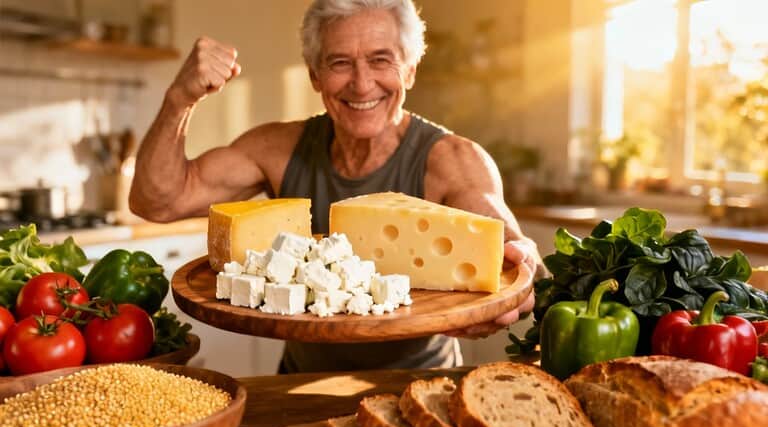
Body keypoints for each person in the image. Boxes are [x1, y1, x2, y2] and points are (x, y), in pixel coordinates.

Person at [130, 0, 543, 373]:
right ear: (314, 75)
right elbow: (157, 201)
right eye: (340, 63)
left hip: (420, 384)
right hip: (297, 384)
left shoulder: (454, 161)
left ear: (411, 69)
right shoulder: (278, 148)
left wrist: (520, 273)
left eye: (381, 60)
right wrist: (179, 99)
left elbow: (517, 257)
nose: (362, 85)